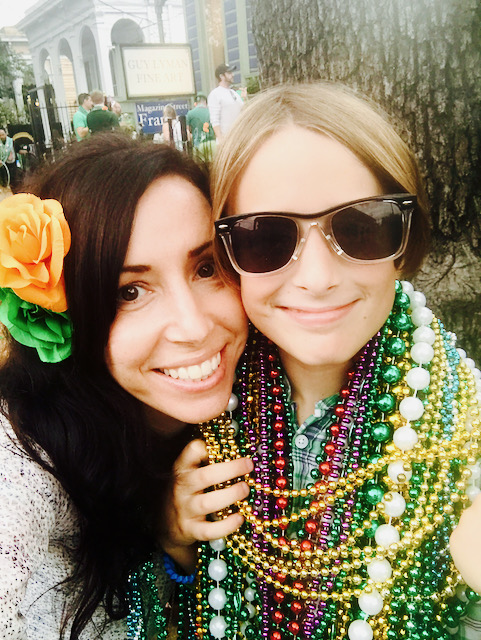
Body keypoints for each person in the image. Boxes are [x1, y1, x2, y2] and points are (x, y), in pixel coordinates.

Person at [160, 83, 481, 640]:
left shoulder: (464, 437)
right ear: (226, 254)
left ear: (404, 239)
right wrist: (173, 542)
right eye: (266, 237)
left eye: (360, 227)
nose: (316, 278)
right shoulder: (192, 398)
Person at [0, 132, 249, 639]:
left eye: (206, 268)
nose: (195, 327)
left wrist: (172, 538)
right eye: (130, 291)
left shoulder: (263, 394)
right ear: (66, 316)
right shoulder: (25, 462)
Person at [208, 63, 245, 142]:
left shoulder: (234, 92)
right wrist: (221, 140)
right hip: (226, 141)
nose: (232, 75)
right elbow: (214, 120)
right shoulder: (215, 94)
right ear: (221, 76)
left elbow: (243, 111)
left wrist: (245, 98)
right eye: (229, 73)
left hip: (239, 138)